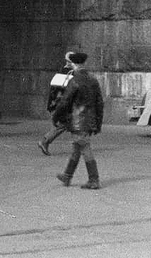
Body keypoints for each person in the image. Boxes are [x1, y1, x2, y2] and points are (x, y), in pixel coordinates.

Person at [55, 51, 105, 190]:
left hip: (78, 120)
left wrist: (56, 116)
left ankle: (94, 179)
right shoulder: (93, 79)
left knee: (84, 147)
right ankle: (67, 175)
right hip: (90, 120)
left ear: (74, 65)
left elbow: (65, 101)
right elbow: (99, 102)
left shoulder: (74, 80)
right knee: (77, 148)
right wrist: (98, 122)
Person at [38, 54, 75, 156]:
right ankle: (45, 141)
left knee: (69, 124)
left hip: (55, 104)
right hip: (61, 105)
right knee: (64, 124)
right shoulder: (70, 74)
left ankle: (80, 145)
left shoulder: (61, 71)